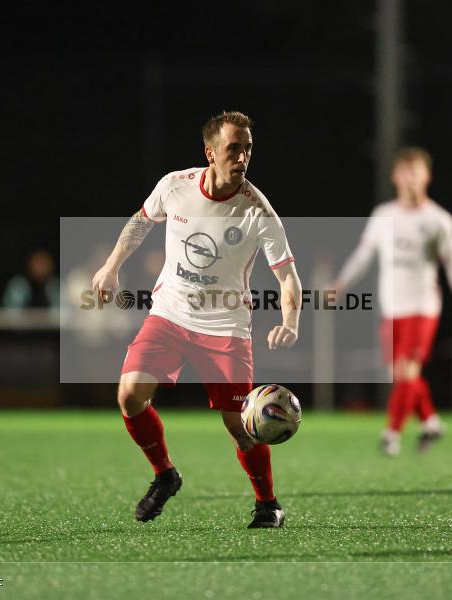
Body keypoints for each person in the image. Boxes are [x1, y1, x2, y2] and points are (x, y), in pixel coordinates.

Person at [91, 111, 302, 528]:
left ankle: (268, 504)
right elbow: (140, 223)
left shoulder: (258, 211)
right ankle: (165, 474)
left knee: (241, 425)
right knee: (130, 395)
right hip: (169, 314)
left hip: (225, 327)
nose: (242, 158)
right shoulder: (175, 186)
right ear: (210, 153)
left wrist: (291, 321)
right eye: (233, 149)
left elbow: (288, 276)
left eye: (247, 149)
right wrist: (111, 266)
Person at [334, 147, 452, 456]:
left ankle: (391, 433)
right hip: (392, 309)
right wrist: (342, 282)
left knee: (406, 371)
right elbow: (364, 254)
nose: (411, 179)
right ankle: (431, 421)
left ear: (427, 176)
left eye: (416, 172)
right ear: (395, 177)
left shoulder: (438, 220)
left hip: (423, 306)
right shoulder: (383, 216)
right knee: (404, 374)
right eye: (405, 172)